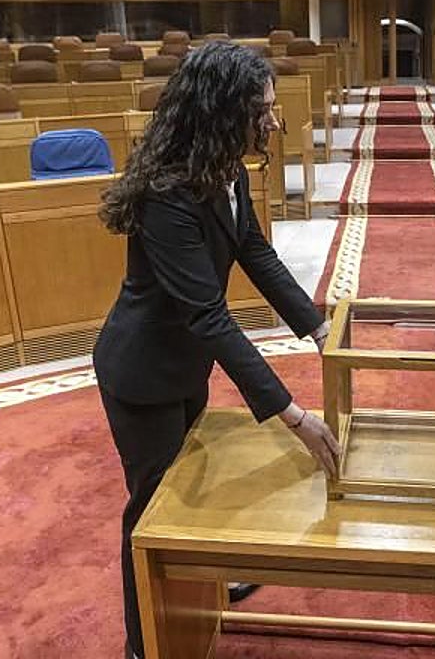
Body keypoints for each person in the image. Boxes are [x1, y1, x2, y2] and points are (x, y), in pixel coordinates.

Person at [94, 42, 341, 659]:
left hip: (184, 365)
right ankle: (142, 642)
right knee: (151, 513)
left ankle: (201, 596)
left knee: (194, 489)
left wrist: (316, 327)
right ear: (222, 110)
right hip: (143, 373)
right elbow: (207, 314)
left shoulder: (224, 166)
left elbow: (254, 251)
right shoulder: (166, 192)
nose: (271, 120)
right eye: (261, 109)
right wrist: (293, 415)